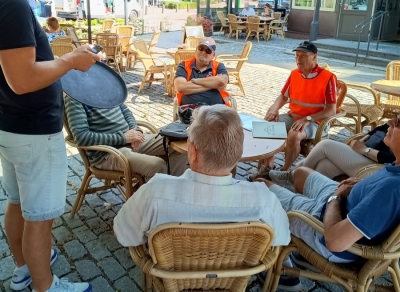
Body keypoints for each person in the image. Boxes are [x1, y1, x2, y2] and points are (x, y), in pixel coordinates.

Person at [0, 0, 101, 292]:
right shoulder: (10, 1)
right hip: (33, 133)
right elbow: (23, 78)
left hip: (13, 126)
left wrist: (63, 58)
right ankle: (46, 287)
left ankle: (24, 271)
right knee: (40, 217)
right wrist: (72, 60)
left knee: (17, 204)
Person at [114, 105, 295, 289]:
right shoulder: (264, 200)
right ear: (239, 152)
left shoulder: (155, 193)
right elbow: (281, 240)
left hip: (172, 282)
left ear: (192, 151)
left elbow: (124, 233)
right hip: (231, 283)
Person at [255, 115, 400, 267]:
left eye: (398, 123)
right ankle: (299, 237)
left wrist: (335, 198)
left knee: (261, 186)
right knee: (301, 172)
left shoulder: (390, 190)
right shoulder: (395, 169)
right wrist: (364, 185)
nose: (390, 122)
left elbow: (335, 242)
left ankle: (285, 272)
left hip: (327, 229)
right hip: (341, 205)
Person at [251, 41, 337, 179]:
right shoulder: (294, 74)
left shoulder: (328, 77)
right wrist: (274, 108)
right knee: (266, 127)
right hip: (294, 116)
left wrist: (307, 119)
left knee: (294, 135)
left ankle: (284, 172)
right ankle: (269, 167)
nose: (298, 59)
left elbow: (331, 110)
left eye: (303, 55)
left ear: (314, 57)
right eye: (296, 55)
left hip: (317, 122)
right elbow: (283, 97)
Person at [64, 95, 188, 178]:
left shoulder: (108, 87)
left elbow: (126, 111)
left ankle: (173, 192)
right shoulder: (75, 98)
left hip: (131, 140)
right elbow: (81, 137)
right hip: (107, 153)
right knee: (158, 165)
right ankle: (149, 206)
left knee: (179, 144)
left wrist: (135, 129)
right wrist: (123, 138)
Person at [269, 123, 394, 184]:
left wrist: (365, 150)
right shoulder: (394, 123)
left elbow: (394, 159)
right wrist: (361, 141)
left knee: (325, 145)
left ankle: (292, 176)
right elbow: (381, 127)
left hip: (380, 169)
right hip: (364, 154)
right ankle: (302, 190)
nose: (393, 124)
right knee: (324, 166)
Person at [174, 37, 230, 106]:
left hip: (216, 111)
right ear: (196, 50)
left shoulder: (219, 66)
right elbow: (181, 87)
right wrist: (213, 84)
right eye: (201, 48)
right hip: (190, 111)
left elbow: (222, 82)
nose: (203, 52)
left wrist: (194, 81)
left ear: (213, 55)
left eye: (208, 51)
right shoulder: (184, 65)